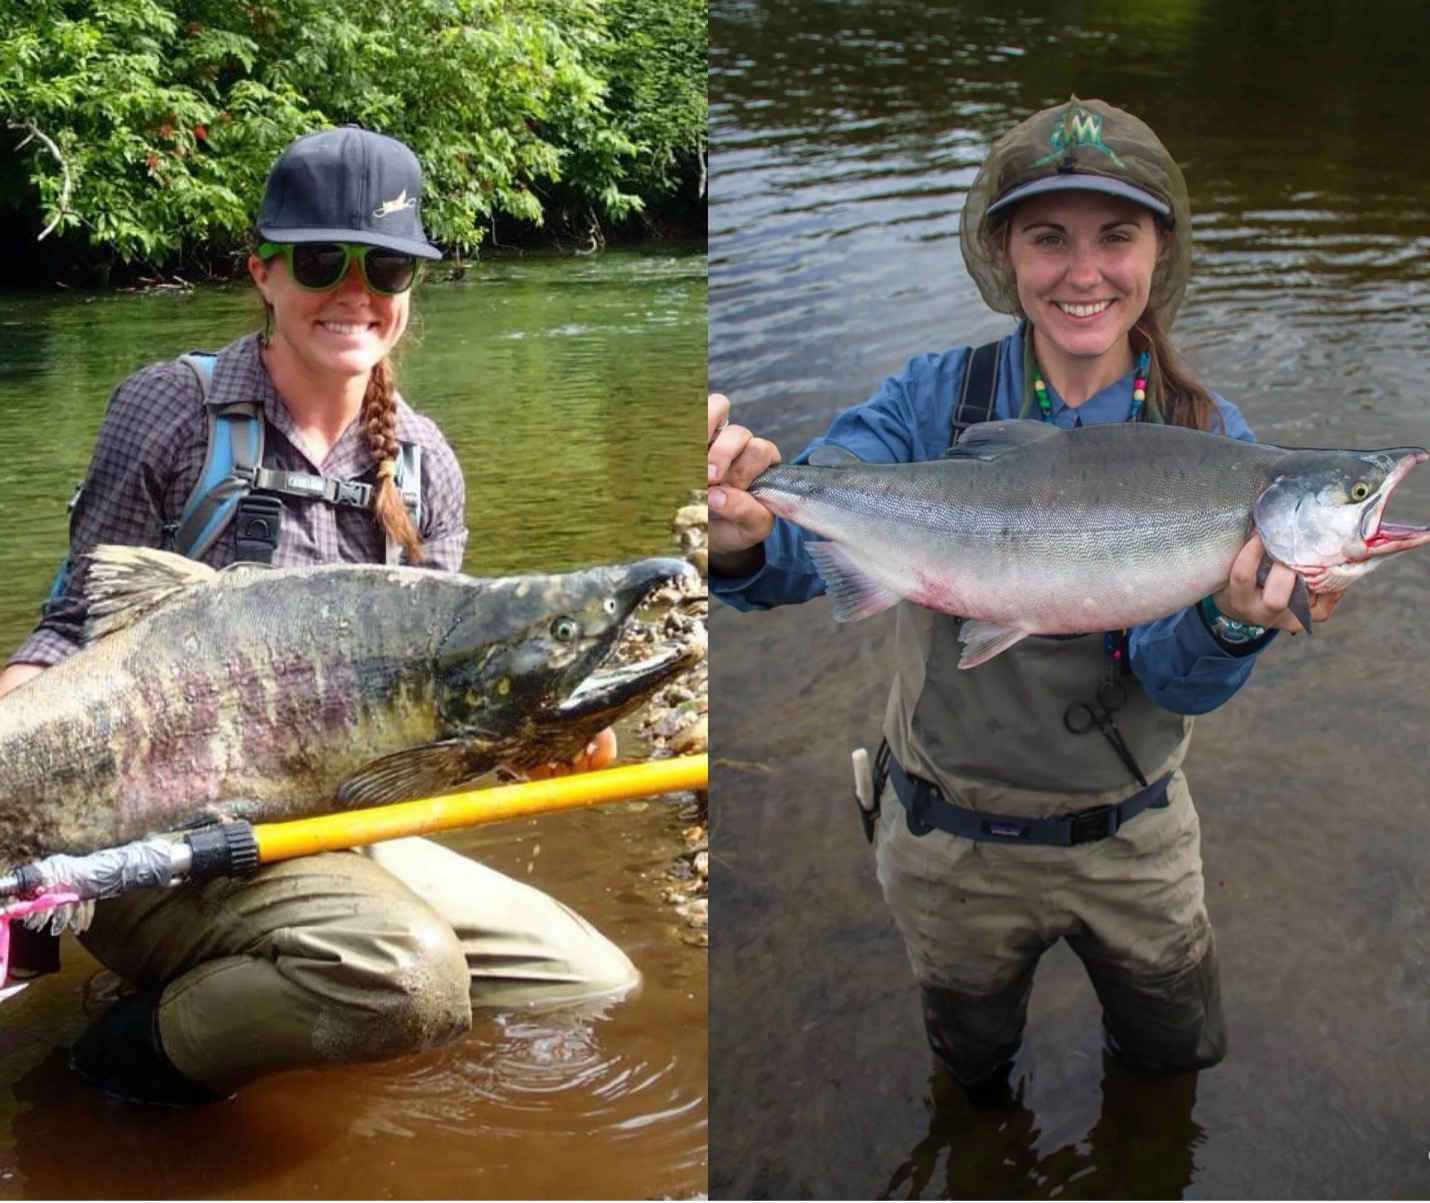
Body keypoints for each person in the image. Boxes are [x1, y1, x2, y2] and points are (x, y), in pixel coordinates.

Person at [706, 96, 1349, 1098]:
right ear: (1004, 252)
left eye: (1114, 237)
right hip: (944, 843)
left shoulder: (1211, 440)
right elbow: (799, 541)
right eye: (1047, 238)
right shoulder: (932, 399)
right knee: (968, 1070)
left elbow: (1172, 685)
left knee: (1169, 1062)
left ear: (1157, 250)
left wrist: (1229, 619)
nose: (1082, 274)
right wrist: (743, 535)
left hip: (1132, 840)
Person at [0, 126, 637, 1105]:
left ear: (411, 286)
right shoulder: (170, 409)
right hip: (152, 841)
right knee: (404, 977)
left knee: (589, 983)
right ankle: (118, 1061)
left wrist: (540, 737)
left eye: (383, 264)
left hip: (321, 827)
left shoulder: (425, 466)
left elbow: (439, 716)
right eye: (319, 260)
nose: (353, 288)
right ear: (262, 272)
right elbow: (68, 627)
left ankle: (251, 988)